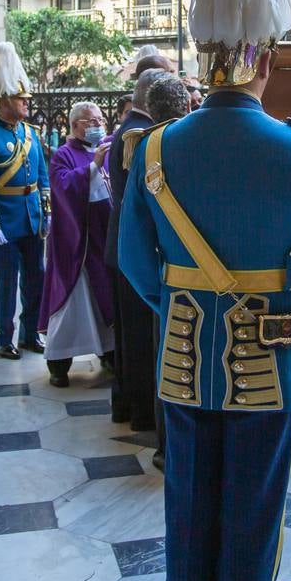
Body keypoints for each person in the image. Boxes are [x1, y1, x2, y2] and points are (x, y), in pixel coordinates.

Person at [120, 0, 291, 581]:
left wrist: (184, 303)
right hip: (268, 363)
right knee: (253, 516)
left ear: (203, 54)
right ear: (268, 58)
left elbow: (136, 264)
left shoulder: (154, 146)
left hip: (182, 354)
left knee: (186, 512)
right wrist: (273, 304)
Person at [0, 42, 51, 360]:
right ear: (4, 101)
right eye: (21, 99)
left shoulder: (30, 134)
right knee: (5, 285)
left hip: (31, 220)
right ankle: (4, 338)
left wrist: (46, 213)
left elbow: (42, 178)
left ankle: (31, 334)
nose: (26, 104)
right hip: (4, 223)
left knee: (36, 281)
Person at [40, 101, 117, 386]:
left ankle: (109, 353)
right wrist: (93, 166)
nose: (97, 125)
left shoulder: (107, 151)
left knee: (104, 298)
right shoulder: (63, 154)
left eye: (100, 120)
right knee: (73, 302)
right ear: (74, 126)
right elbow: (62, 187)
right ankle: (59, 362)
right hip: (76, 243)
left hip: (102, 237)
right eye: (90, 121)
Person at [107, 70, 167, 430]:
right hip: (136, 250)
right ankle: (141, 411)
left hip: (125, 248)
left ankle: (126, 405)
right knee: (139, 338)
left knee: (129, 338)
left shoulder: (132, 129)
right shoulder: (140, 136)